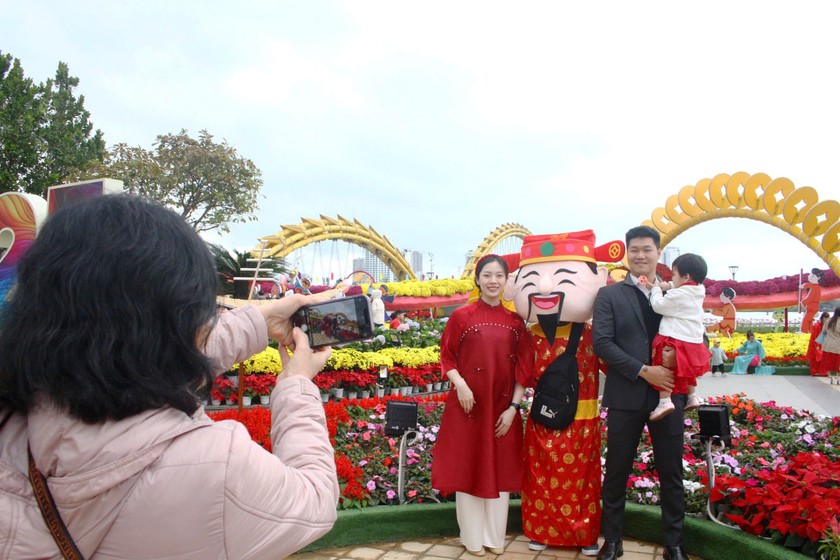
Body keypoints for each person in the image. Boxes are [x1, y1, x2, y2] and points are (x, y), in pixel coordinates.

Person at [0, 195, 339, 559]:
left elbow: (127, 351)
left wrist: (260, 320)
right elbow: (314, 501)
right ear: (176, 321)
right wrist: (296, 385)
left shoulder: (16, 411)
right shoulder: (214, 467)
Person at [504, 230, 625, 557]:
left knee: (583, 481)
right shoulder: (528, 336)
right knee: (540, 477)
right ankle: (541, 531)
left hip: (583, 421)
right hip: (543, 419)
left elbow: (613, 366)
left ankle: (585, 534)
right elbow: (521, 375)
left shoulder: (591, 334)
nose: (545, 288)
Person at [592, 225, 688, 560]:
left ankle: (674, 545)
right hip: (626, 395)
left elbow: (697, 335)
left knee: (671, 473)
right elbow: (601, 342)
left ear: (658, 253)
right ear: (627, 253)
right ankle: (613, 541)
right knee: (617, 470)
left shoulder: (679, 294)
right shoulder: (610, 295)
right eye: (634, 249)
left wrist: (678, 360)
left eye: (647, 249)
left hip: (668, 396)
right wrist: (645, 370)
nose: (640, 256)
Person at [431, 254, 533, 557]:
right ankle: (472, 539)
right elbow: (447, 357)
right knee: (469, 467)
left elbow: (523, 371)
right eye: (487, 275)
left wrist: (513, 409)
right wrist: (460, 385)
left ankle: (494, 538)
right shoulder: (462, 316)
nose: (493, 281)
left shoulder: (516, 323)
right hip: (467, 408)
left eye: (499, 276)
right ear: (478, 279)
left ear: (506, 281)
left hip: (503, 410)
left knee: (499, 471)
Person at [643, 253, 712, 421]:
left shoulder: (679, 295)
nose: (672, 278)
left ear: (686, 276)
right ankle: (692, 396)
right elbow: (680, 286)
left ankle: (664, 401)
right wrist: (670, 284)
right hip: (693, 339)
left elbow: (659, 305)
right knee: (687, 369)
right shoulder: (699, 290)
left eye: (674, 274)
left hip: (674, 336)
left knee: (663, 362)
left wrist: (656, 289)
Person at [800, 268, 824, 334]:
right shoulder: (815, 286)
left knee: (806, 320)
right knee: (809, 320)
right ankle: (811, 332)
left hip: (812, 307)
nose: (810, 276)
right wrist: (803, 286)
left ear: (818, 278)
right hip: (812, 307)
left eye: (813, 276)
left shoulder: (816, 288)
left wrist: (803, 302)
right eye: (810, 274)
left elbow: (810, 298)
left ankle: (803, 331)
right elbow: (809, 285)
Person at [820, 307, 840, 385]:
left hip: (828, 345)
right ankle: (838, 378)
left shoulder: (828, 321)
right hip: (838, 346)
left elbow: (823, 331)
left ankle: (831, 376)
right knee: (837, 363)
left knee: (829, 363)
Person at [807, 312, 830, 376]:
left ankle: (822, 371)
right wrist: (816, 345)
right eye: (827, 318)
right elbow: (814, 337)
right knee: (814, 359)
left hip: (821, 343)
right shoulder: (817, 326)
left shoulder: (824, 325)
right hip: (816, 344)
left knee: (822, 358)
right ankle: (814, 371)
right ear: (823, 318)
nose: (827, 320)